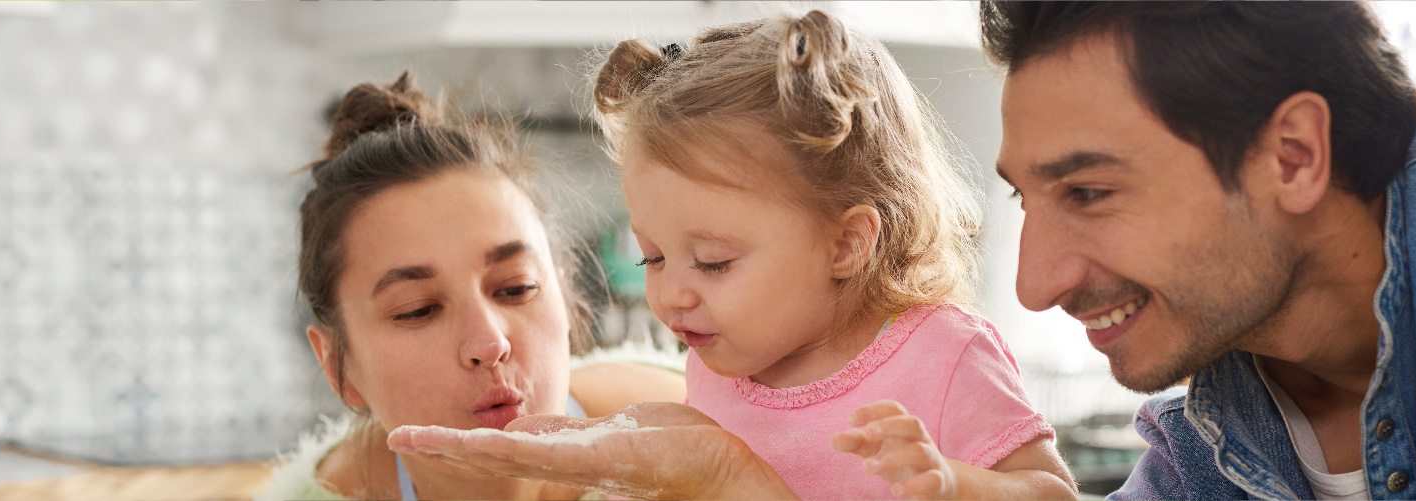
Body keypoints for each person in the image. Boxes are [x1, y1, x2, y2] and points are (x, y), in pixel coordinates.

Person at [393, 10, 1077, 501]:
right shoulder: (717, 363)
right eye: (654, 257)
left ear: (846, 242)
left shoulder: (946, 354)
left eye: (713, 261)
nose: (673, 296)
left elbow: (1050, 490)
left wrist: (958, 483)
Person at [981, 2, 1416, 499]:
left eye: (1089, 193)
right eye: (1023, 198)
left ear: (1293, 156)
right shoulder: (1193, 463)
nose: (1035, 287)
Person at [256, 72, 685, 501]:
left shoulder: (695, 435)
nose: (489, 343)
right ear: (338, 368)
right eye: (416, 310)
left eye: (516, 287)